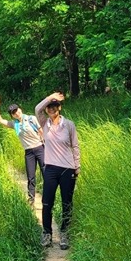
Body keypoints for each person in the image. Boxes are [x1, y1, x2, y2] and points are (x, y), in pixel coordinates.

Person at [35, 92, 80, 249]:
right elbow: (36, 109)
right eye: (49, 107)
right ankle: (47, 233)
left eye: (55, 106)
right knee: (47, 202)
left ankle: (64, 234)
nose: (52, 109)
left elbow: (75, 146)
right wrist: (49, 97)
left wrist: (77, 166)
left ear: (60, 108)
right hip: (50, 169)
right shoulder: (44, 123)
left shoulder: (69, 125)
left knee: (67, 203)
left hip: (68, 169)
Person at [0, 96, 45, 207]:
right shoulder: (15, 124)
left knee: (46, 173)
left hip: (40, 148)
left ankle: (49, 197)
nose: (16, 113)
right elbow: (1, 121)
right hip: (29, 152)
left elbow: (41, 132)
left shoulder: (31, 118)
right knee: (31, 176)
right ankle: (31, 199)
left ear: (20, 109)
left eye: (17, 110)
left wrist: (47, 147)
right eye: (13, 113)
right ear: (12, 115)